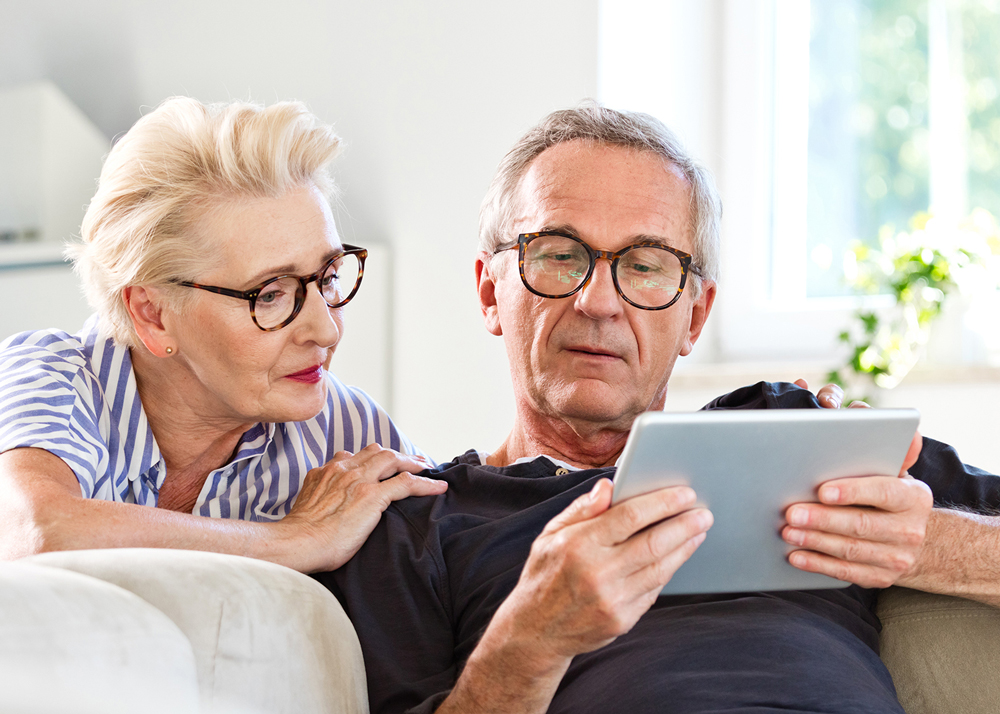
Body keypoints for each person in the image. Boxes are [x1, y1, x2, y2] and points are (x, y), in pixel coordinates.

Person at [318, 104, 1000, 714]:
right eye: (559, 256)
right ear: (491, 294)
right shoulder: (417, 521)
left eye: (645, 266)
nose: (598, 301)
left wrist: (928, 545)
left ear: (696, 315)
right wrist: (528, 644)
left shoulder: (791, 431)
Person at [0, 97, 446, 573]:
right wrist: (293, 542)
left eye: (330, 276)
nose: (326, 329)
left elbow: (460, 541)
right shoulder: (49, 378)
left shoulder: (348, 431)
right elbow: (37, 532)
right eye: (271, 295)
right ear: (153, 314)